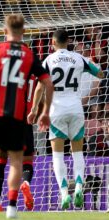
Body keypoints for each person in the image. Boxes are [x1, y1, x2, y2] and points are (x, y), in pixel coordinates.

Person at [0, 14, 54, 218]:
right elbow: (48, 83)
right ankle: (12, 208)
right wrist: (45, 112)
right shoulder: (30, 55)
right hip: (18, 116)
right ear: (23, 32)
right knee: (17, 162)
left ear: (5, 31)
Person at [28, 29, 104, 210]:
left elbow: (39, 88)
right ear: (68, 41)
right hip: (76, 109)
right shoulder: (79, 58)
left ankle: (64, 194)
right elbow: (100, 74)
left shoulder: (48, 60)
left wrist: (33, 110)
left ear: (53, 43)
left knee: (58, 155)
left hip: (56, 110)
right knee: (77, 152)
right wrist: (93, 64)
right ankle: (79, 186)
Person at [0, 75, 39, 212]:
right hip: (25, 121)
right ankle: (25, 183)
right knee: (27, 161)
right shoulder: (34, 73)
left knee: (1, 159)